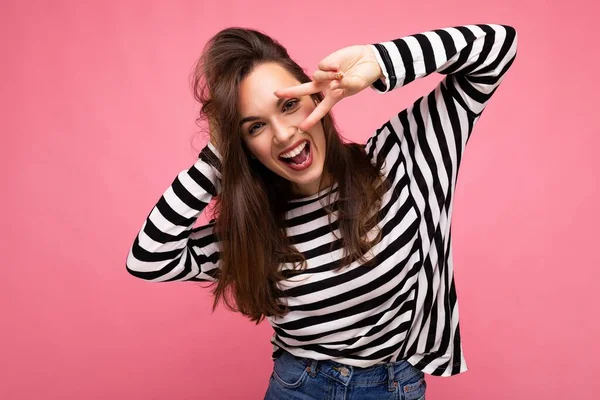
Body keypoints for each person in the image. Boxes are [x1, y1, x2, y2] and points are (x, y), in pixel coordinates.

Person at [125, 22, 518, 400]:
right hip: (298, 388)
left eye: (290, 105)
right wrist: (217, 154)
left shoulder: (403, 160)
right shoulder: (254, 224)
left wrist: (377, 61)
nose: (283, 134)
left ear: (318, 95)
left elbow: (497, 46)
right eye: (254, 127)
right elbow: (148, 259)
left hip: (394, 384)